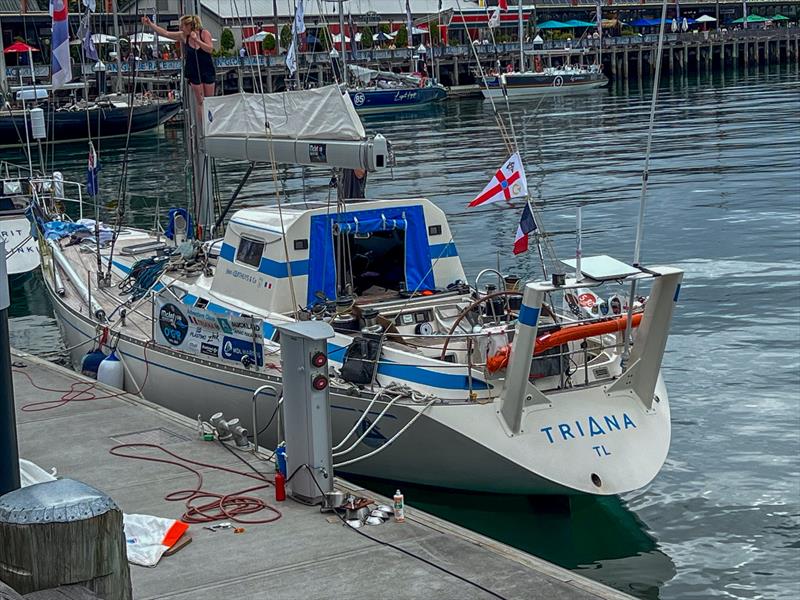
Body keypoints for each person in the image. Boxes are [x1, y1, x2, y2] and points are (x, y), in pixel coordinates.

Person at [141, 14, 215, 118]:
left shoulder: (204, 33)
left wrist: (197, 40)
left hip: (207, 69)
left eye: (183, 26)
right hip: (193, 70)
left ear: (190, 26)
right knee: (200, 101)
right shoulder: (183, 36)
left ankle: (211, 124)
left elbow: (210, 49)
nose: (181, 28)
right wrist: (150, 24)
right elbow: (165, 33)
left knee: (210, 100)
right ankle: (202, 128)